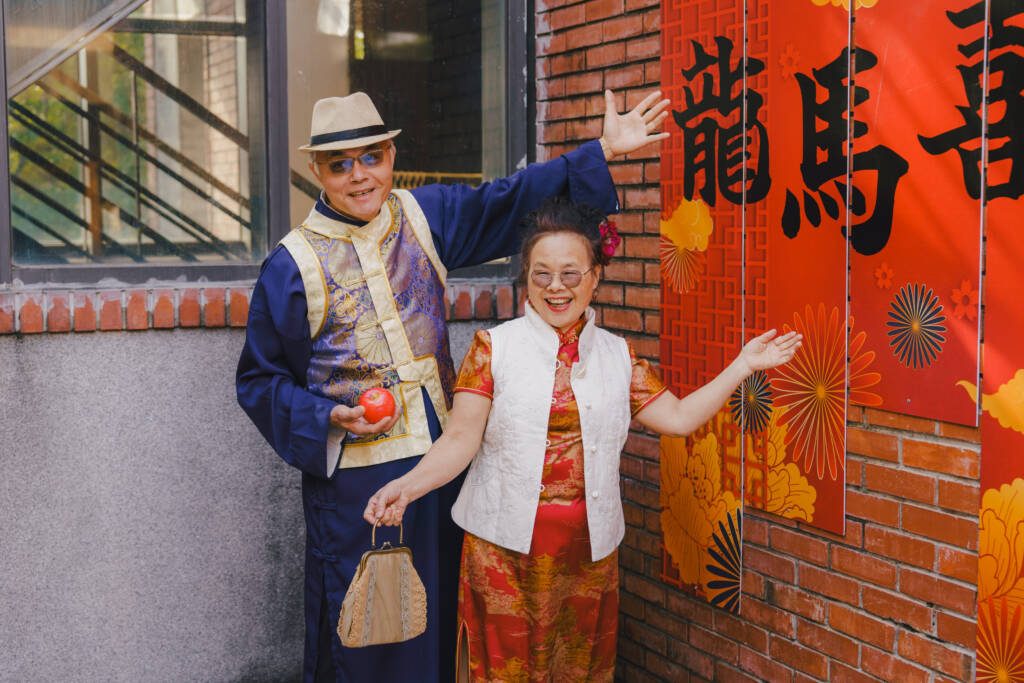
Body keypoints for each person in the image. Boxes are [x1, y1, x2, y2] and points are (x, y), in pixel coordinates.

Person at [235, 90, 670, 683]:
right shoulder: (292, 264)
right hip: (359, 478)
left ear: (391, 156)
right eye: (340, 164)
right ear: (318, 171)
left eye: (372, 157)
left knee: (446, 614)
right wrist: (329, 417)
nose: (360, 176)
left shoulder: (425, 215)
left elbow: (508, 198)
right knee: (371, 630)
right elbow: (260, 379)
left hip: (446, 461)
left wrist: (601, 153)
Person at [364, 197, 802, 681]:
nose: (556, 287)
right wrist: (407, 487)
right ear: (526, 279)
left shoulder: (619, 355)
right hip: (503, 553)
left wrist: (743, 365)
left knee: (578, 671)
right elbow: (459, 441)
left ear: (595, 278)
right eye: (542, 274)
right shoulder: (495, 348)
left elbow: (678, 418)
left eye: (571, 274)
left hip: (587, 556)